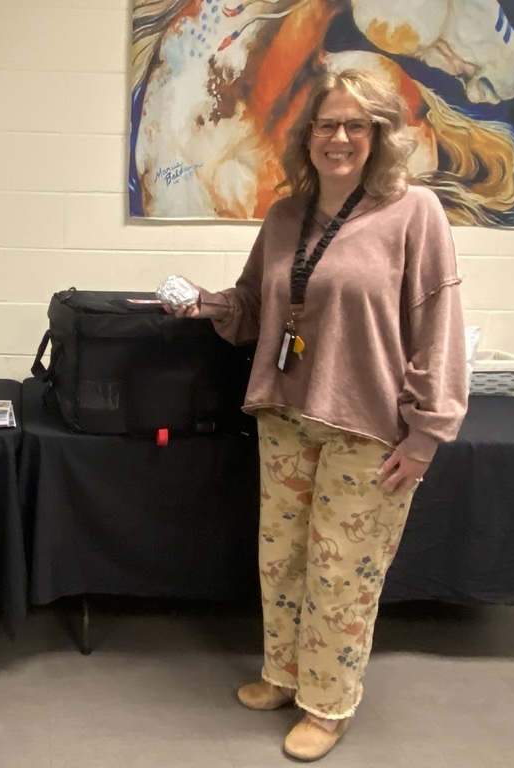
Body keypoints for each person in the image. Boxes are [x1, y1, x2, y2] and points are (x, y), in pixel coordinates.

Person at [172, 69, 467, 761]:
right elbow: (253, 309)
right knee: (283, 561)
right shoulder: (283, 216)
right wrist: (203, 303)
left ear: (378, 136)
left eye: (355, 125)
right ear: (306, 135)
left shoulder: (413, 212)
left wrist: (427, 433)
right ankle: (284, 673)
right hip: (286, 412)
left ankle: (327, 704)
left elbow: (438, 326)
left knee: (342, 573)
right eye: (326, 124)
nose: (338, 138)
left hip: (370, 426)